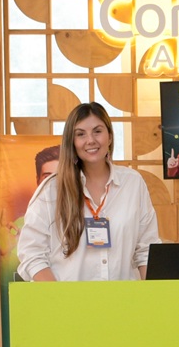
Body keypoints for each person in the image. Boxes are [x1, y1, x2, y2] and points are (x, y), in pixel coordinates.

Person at [16, 102, 160, 281]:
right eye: (80, 134)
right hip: (68, 298)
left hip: (124, 297)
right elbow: (31, 253)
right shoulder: (52, 189)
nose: (90, 140)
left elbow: (146, 250)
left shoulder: (133, 183)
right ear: (72, 142)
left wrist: (154, 294)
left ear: (110, 136)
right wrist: (57, 296)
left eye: (97, 131)